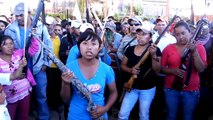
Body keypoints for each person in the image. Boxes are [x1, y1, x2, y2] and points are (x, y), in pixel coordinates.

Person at [4, 2, 53, 120]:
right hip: (19, 68)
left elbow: (48, 46)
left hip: (38, 67)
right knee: (23, 95)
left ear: (29, 13)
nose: (19, 18)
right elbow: (6, 50)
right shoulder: (10, 29)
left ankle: (44, 117)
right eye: (17, 15)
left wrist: (46, 63)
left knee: (41, 95)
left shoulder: (40, 27)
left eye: (22, 15)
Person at [60, 31, 118, 120]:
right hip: (76, 116)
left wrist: (105, 108)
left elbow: (114, 93)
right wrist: (66, 84)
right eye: (85, 43)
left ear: (99, 47)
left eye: (94, 44)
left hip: (99, 116)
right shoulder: (69, 68)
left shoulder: (106, 69)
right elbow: (65, 99)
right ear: (79, 47)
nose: (89, 47)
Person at [161, 21, 207, 120]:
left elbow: (201, 69)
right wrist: (172, 71)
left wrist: (194, 52)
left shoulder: (199, 48)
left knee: (188, 117)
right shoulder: (168, 48)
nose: (180, 37)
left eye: (183, 33)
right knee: (170, 116)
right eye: (177, 34)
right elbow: (161, 68)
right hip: (171, 89)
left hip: (191, 91)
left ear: (190, 32)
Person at [118, 22, 161, 120]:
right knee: (122, 114)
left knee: (143, 115)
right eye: (139, 34)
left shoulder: (156, 50)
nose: (140, 37)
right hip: (132, 87)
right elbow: (123, 66)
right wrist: (131, 70)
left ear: (150, 37)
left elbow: (157, 70)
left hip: (147, 89)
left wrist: (153, 55)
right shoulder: (130, 49)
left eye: (144, 34)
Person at [0, 35, 39, 120]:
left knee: (24, 117)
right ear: (0, 46)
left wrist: (33, 37)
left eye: (11, 43)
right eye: (5, 44)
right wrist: (15, 76)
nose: (9, 46)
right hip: (8, 97)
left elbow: (34, 49)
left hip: (24, 92)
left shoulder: (19, 53)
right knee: (10, 117)